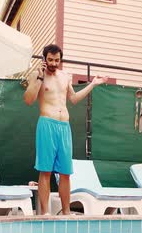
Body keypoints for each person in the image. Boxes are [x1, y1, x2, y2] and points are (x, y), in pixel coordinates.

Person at [23, 44, 108, 215]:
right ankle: (45, 213)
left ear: (60, 60)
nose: (54, 63)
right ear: (44, 59)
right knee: (45, 170)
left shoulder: (65, 76)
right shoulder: (37, 75)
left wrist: (93, 84)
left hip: (64, 127)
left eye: (57, 60)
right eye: (50, 60)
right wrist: (39, 77)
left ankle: (66, 213)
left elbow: (74, 98)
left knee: (65, 173)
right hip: (47, 124)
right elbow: (28, 100)